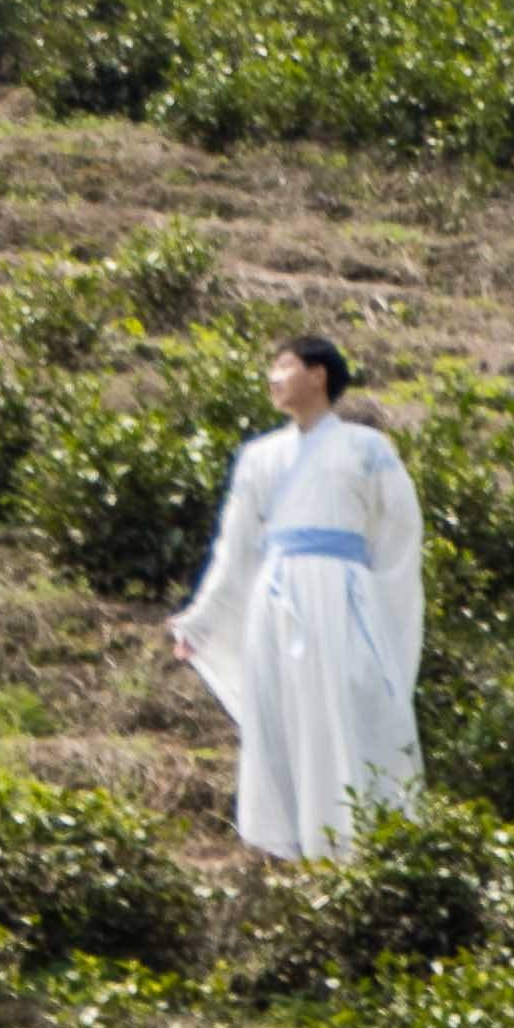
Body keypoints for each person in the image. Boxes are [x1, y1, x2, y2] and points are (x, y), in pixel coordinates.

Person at [164, 332, 422, 862]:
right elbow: (233, 546)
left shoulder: (367, 448)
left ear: (318, 374)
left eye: (283, 367)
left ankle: (357, 835)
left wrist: (373, 597)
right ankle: (290, 841)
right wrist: (202, 619)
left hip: (343, 596)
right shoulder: (258, 456)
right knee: (282, 706)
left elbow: (397, 533)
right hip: (277, 597)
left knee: (346, 703)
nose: (273, 379)